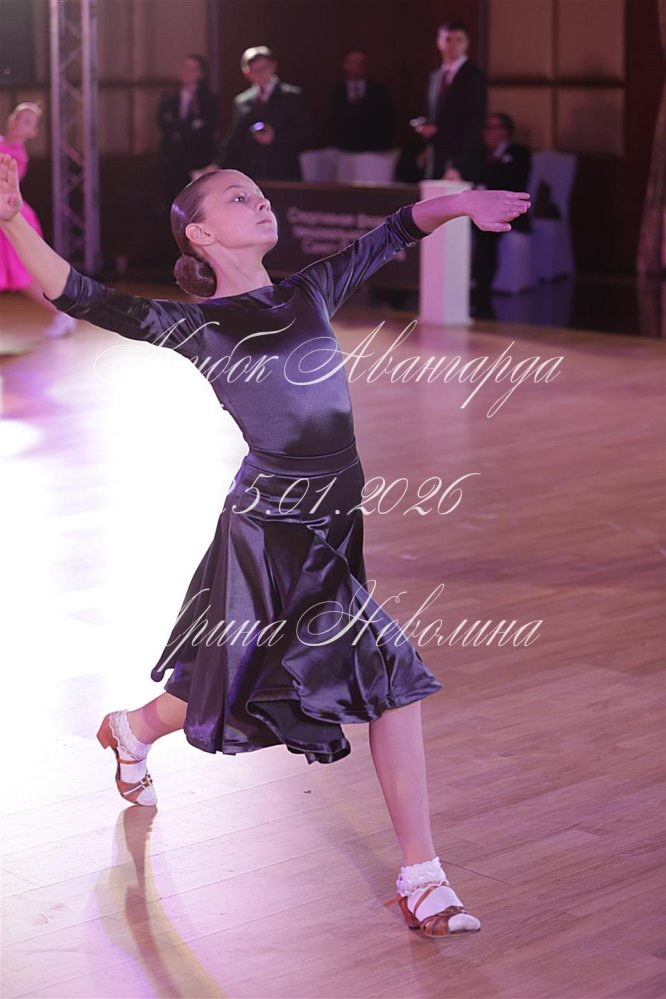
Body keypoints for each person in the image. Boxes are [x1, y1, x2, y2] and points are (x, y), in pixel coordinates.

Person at [0, 150, 529, 938]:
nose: (260, 202)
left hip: (334, 522)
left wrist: (461, 203)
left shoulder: (308, 290)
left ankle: (133, 727)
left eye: (259, 192)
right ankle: (422, 877)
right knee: (390, 678)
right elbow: (81, 293)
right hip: (274, 532)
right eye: (238, 198)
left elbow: (394, 230)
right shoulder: (198, 325)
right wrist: (13, 222)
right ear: (203, 234)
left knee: (237, 678)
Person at [0, 103, 75, 339]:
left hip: (11, 218)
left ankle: (62, 312)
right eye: (17, 116)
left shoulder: (16, 155)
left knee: (24, 276)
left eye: (26, 121)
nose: (18, 122)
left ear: (32, 132)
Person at [214, 47, 311, 180]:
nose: (260, 74)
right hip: (254, 171)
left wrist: (275, 138)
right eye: (255, 70)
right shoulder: (242, 101)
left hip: (284, 169)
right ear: (247, 73)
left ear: (273, 66)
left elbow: (305, 132)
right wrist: (218, 164)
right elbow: (235, 138)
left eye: (263, 68)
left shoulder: (292, 96)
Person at [472, 112, 532, 314]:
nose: (488, 133)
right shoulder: (479, 153)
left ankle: (482, 288)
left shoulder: (519, 153)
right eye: (486, 128)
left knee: (487, 231)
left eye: (493, 127)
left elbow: (515, 183)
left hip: (509, 209)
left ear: (505, 131)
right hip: (478, 207)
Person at [415, 20, 487, 182]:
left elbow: (474, 124)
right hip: (437, 157)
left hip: (460, 162)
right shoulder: (435, 76)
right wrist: (427, 128)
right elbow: (437, 116)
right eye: (448, 39)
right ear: (439, 43)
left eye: (458, 39)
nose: (453, 45)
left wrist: (456, 166)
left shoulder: (474, 76)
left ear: (467, 43)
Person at [157, 53, 219, 203]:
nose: (187, 72)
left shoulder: (209, 100)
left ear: (201, 74)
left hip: (199, 160)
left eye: (193, 68)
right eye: (185, 67)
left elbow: (209, 129)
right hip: (172, 161)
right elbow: (163, 125)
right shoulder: (169, 97)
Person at [329, 50, 395, 152]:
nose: (357, 66)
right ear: (345, 65)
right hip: (343, 148)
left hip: (374, 147)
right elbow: (332, 120)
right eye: (353, 62)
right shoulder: (336, 92)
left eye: (360, 63)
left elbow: (388, 119)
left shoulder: (379, 91)